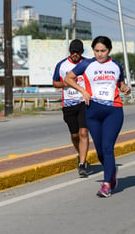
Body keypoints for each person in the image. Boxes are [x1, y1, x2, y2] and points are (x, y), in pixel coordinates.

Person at [64, 36, 131, 198]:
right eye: (97, 51)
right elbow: (68, 78)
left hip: (113, 111)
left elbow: (121, 83)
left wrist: (125, 88)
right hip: (92, 111)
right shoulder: (87, 64)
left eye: (103, 51)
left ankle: (106, 184)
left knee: (108, 147)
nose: (100, 54)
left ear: (109, 51)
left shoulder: (116, 65)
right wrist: (83, 91)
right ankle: (111, 171)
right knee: (100, 151)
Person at [52, 39, 90, 177]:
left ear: (82, 52)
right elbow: (55, 83)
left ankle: (82, 163)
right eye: (73, 52)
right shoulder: (62, 65)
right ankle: (81, 154)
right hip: (68, 104)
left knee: (84, 132)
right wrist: (67, 83)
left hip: (83, 103)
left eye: (78, 52)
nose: (75, 54)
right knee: (75, 135)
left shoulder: (87, 64)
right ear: (70, 51)